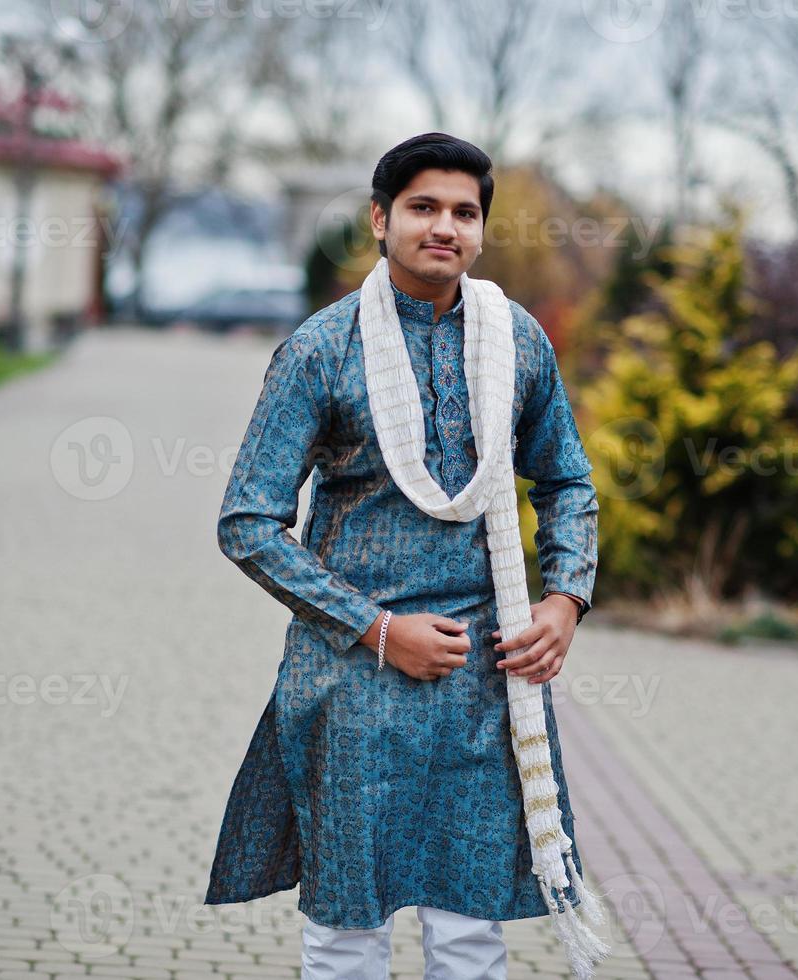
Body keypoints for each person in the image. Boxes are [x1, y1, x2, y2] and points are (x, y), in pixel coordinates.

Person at [205, 132, 605, 979]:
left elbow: (566, 479)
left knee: (469, 926)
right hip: (355, 681)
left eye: (464, 212)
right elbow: (246, 521)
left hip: (482, 677)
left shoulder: (515, 341)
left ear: (481, 231)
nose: (444, 228)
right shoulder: (322, 348)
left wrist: (563, 599)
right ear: (380, 219)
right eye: (423, 207)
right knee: (349, 927)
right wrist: (378, 629)